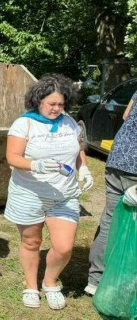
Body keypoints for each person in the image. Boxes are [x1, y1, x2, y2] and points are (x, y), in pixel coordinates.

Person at [4, 73, 94, 310]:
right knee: (32, 242)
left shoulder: (69, 123)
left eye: (61, 104)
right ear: (38, 101)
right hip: (29, 193)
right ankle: (31, 285)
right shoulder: (24, 123)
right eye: (51, 104)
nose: (56, 109)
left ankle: (50, 281)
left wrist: (83, 168)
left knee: (64, 247)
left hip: (64, 195)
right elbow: (12, 157)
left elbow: (77, 149)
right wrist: (36, 165)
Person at [85, 88, 137, 296]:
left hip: (117, 161)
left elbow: (126, 115)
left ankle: (95, 280)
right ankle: (123, 281)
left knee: (109, 220)